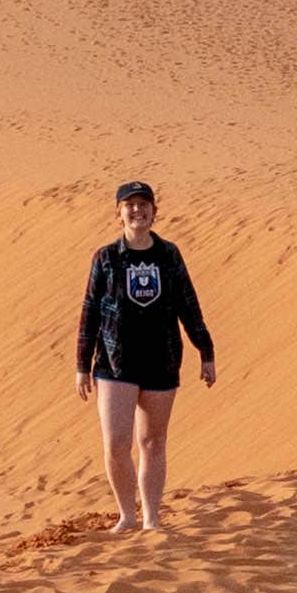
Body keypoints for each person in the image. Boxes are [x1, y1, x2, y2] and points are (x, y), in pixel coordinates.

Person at [75, 178, 216, 531]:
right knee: (116, 444)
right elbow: (90, 311)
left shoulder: (169, 255)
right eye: (130, 205)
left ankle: (152, 517)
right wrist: (82, 365)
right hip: (114, 363)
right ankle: (127, 515)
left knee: (153, 442)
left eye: (144, 204)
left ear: (154, 211)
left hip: (161, 361)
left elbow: (189, 304)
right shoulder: (106, 258)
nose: (137, 210)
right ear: (118, 213)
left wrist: (206, 351)